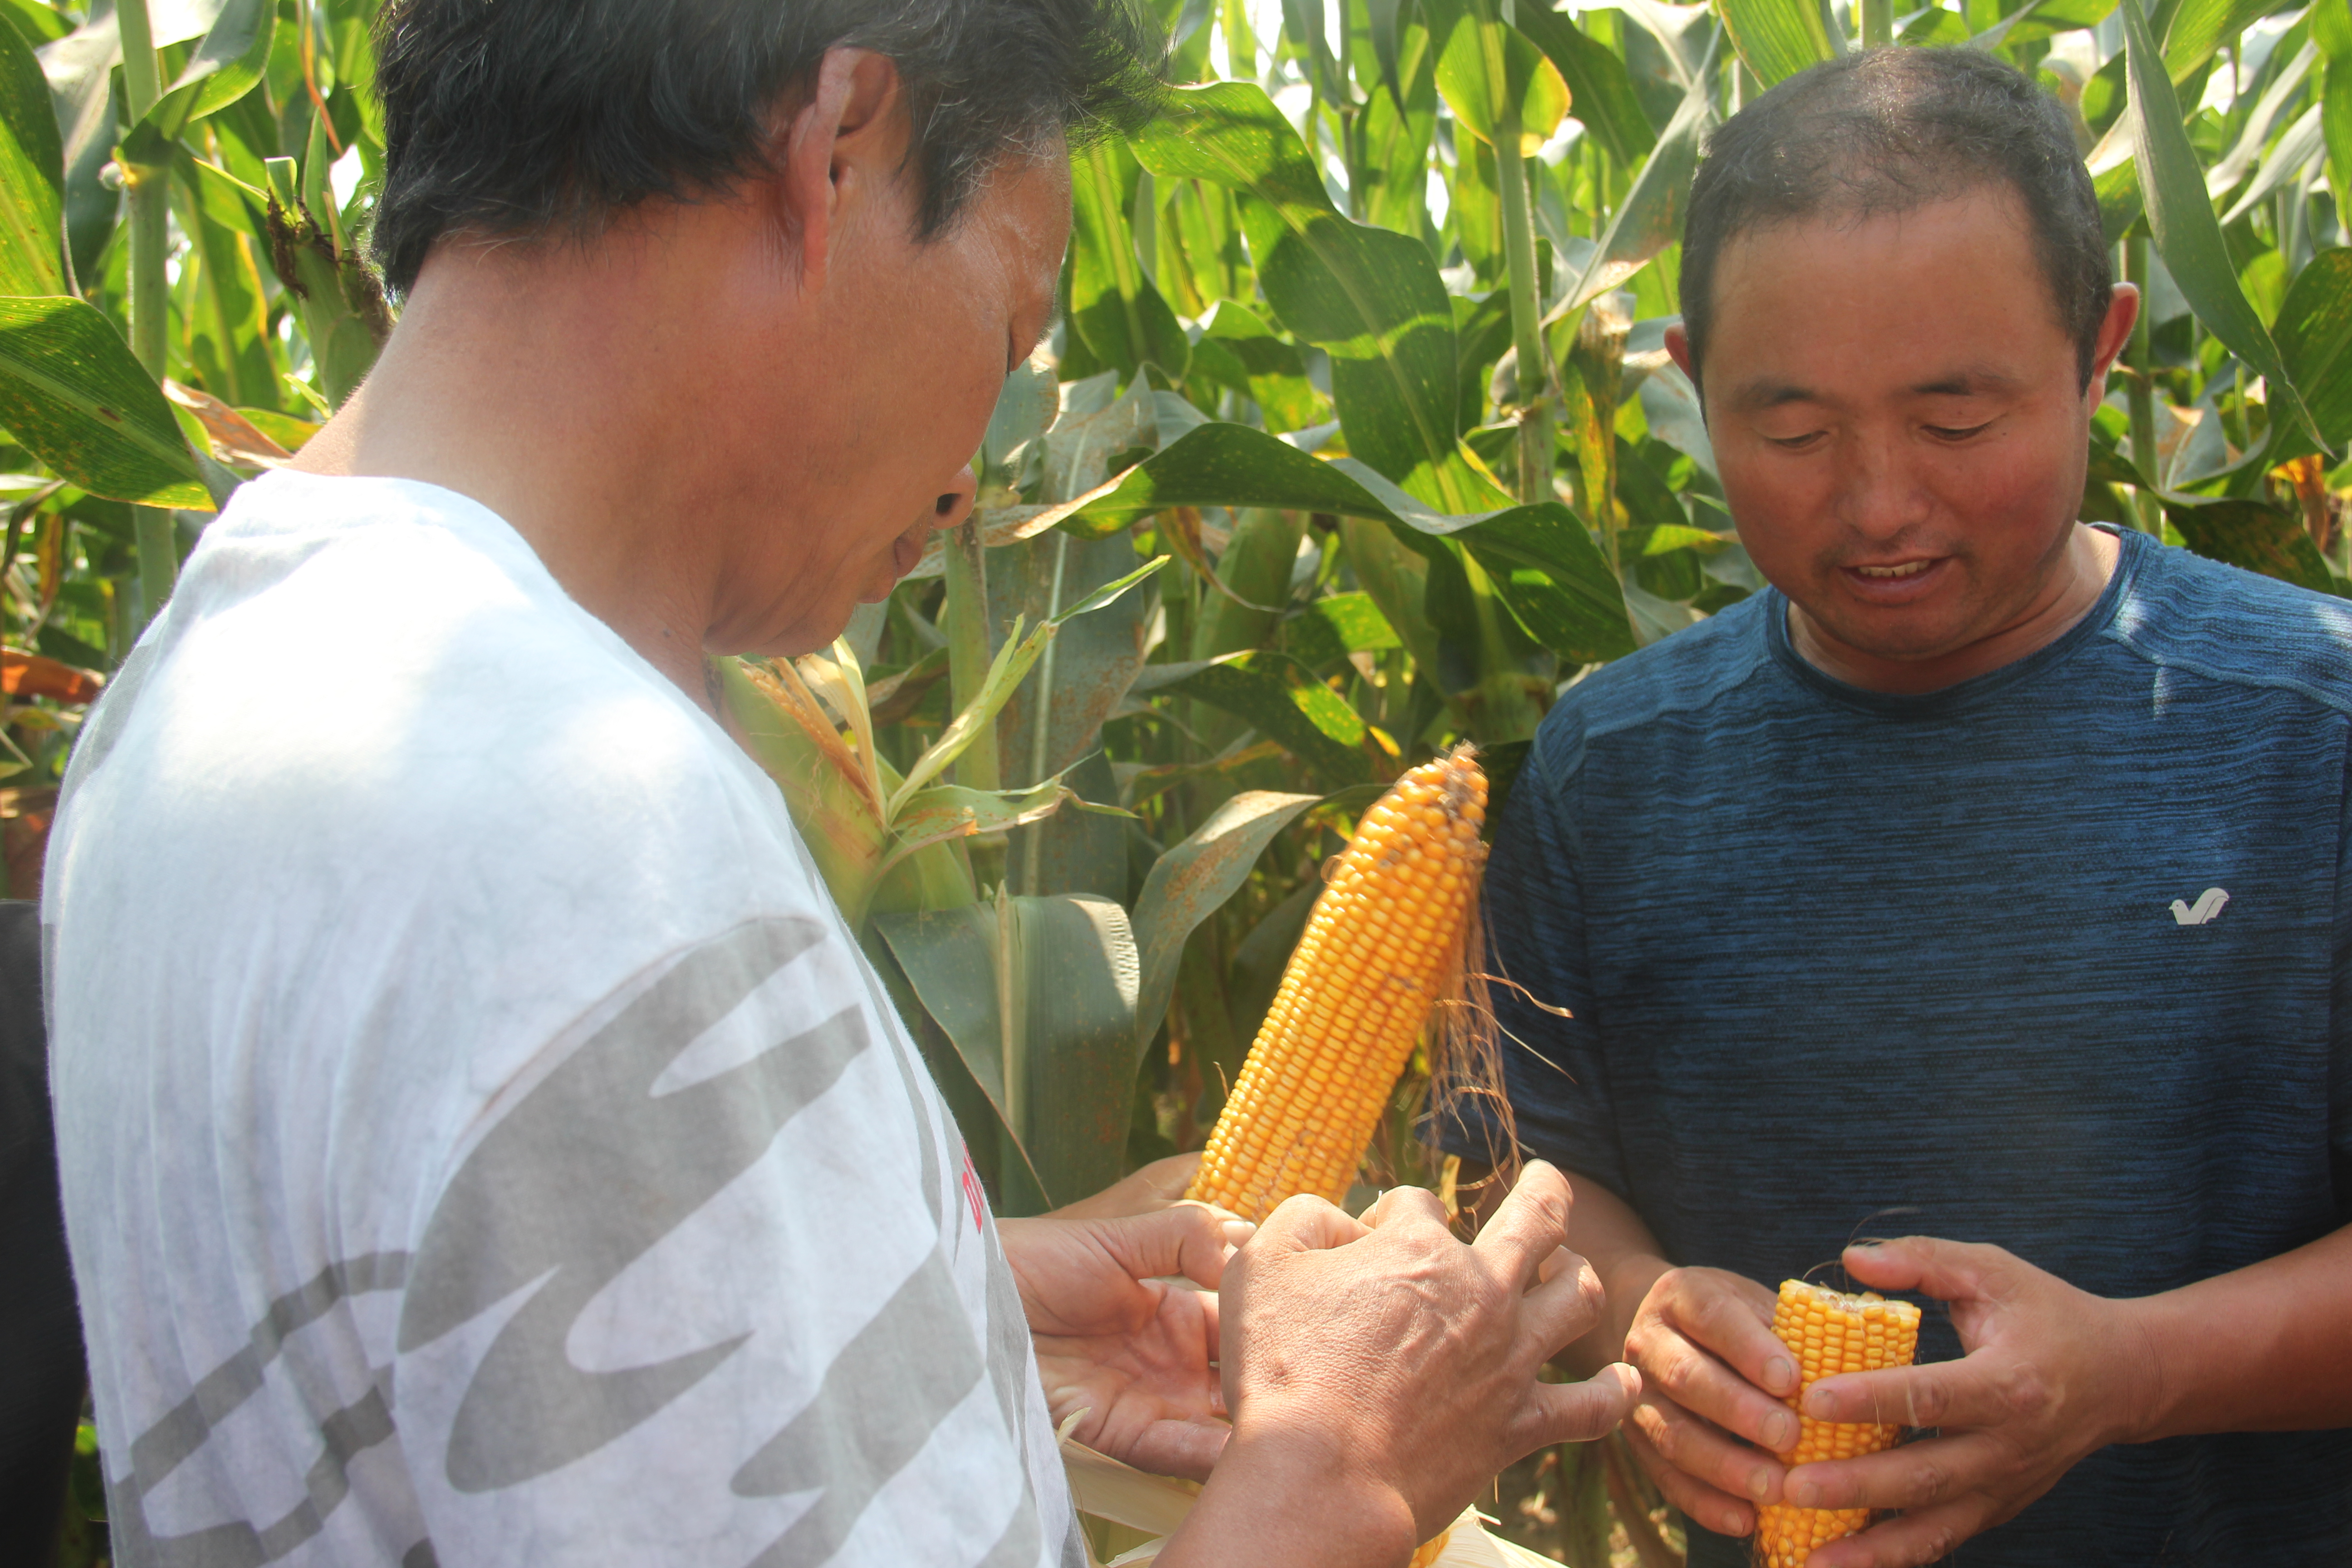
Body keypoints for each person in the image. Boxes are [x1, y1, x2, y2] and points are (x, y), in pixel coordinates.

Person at [40, 3, 1641, 1565]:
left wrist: (917, 1300)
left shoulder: (196, 702)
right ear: (840, 148)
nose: (977, 473)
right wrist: (1346, 1471)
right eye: (1011, 332)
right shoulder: (586, 819)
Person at [1452, 44, 2352, 1568]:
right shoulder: (1612, 770)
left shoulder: (2311, 737)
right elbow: (1526, 1163)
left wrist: (2132, 1372)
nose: (1877, 502)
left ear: (2100, 350)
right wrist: (1647, 1308)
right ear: (1692, 382)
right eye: (1793, 433)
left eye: (1955, 423)